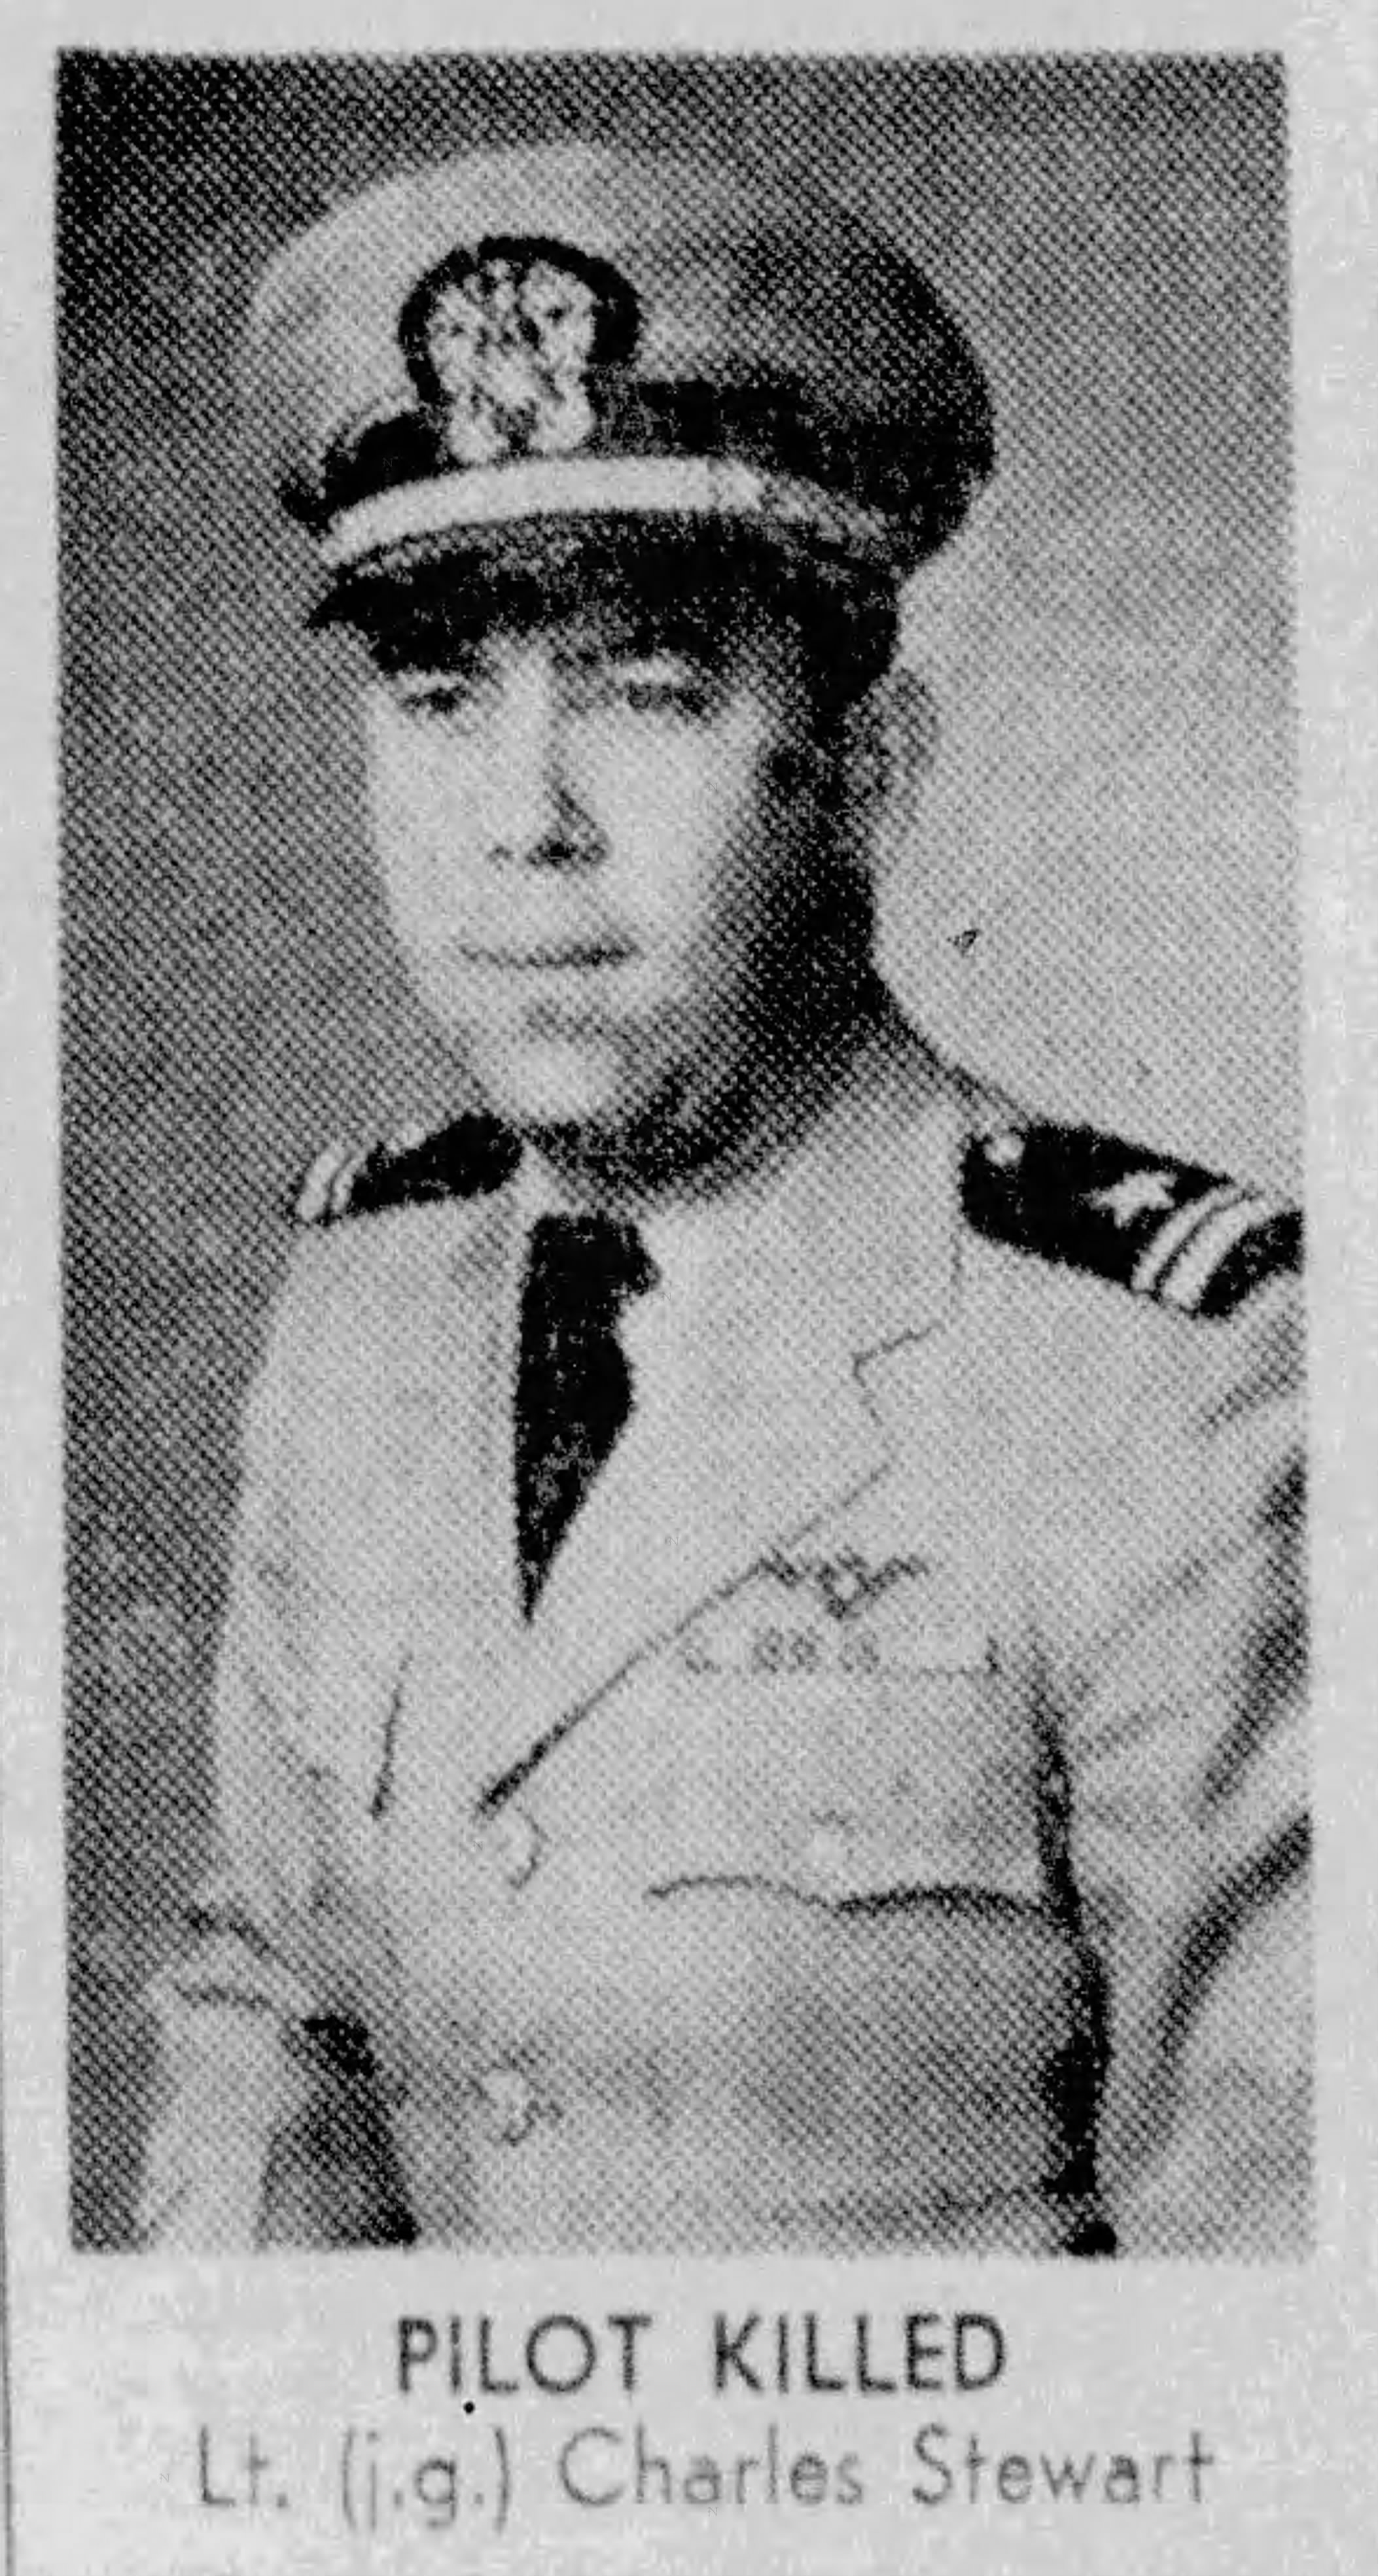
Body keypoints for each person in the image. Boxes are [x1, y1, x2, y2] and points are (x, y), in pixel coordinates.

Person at [137, 143, 1308, 2257]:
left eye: (647, 693)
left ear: (863, 774)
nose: (524, 821)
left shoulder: (1176, 1377)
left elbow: (1277, 2303)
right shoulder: (369, 1297)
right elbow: (276, 2013)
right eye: (439, 697)